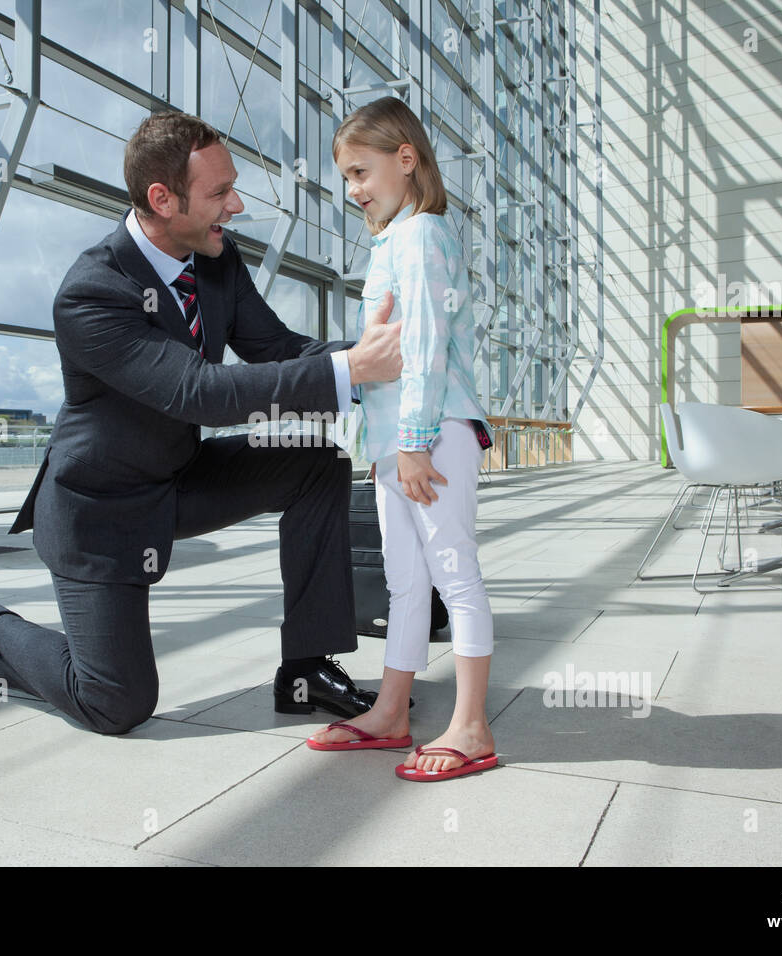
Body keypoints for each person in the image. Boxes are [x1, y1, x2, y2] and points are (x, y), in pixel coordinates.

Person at [0, 110, 405, 734]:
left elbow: (274, 347)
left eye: (231, 187)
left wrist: (370, 361)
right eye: (219, 193)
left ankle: (305, 670)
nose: (235, 206)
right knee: (116, 702)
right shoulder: (91, 293)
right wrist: (351, 367)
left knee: (317, 465)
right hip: (101, 512)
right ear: (162, 198)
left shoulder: (214, 257)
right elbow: (198, 392)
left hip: (180, 477)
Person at [306, 97, 498, 781]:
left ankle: (471, 728)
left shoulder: (420, 237)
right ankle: (391, 712)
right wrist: (388, 443)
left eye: (362, 171)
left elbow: (425, 347)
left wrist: (412, 442)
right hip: (404, 438)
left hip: (432, 432)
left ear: (406, 159)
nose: (355, 190)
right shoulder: (398, 240)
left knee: (454, 571)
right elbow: (383, 352)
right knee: (406, 582)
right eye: (347, 178)